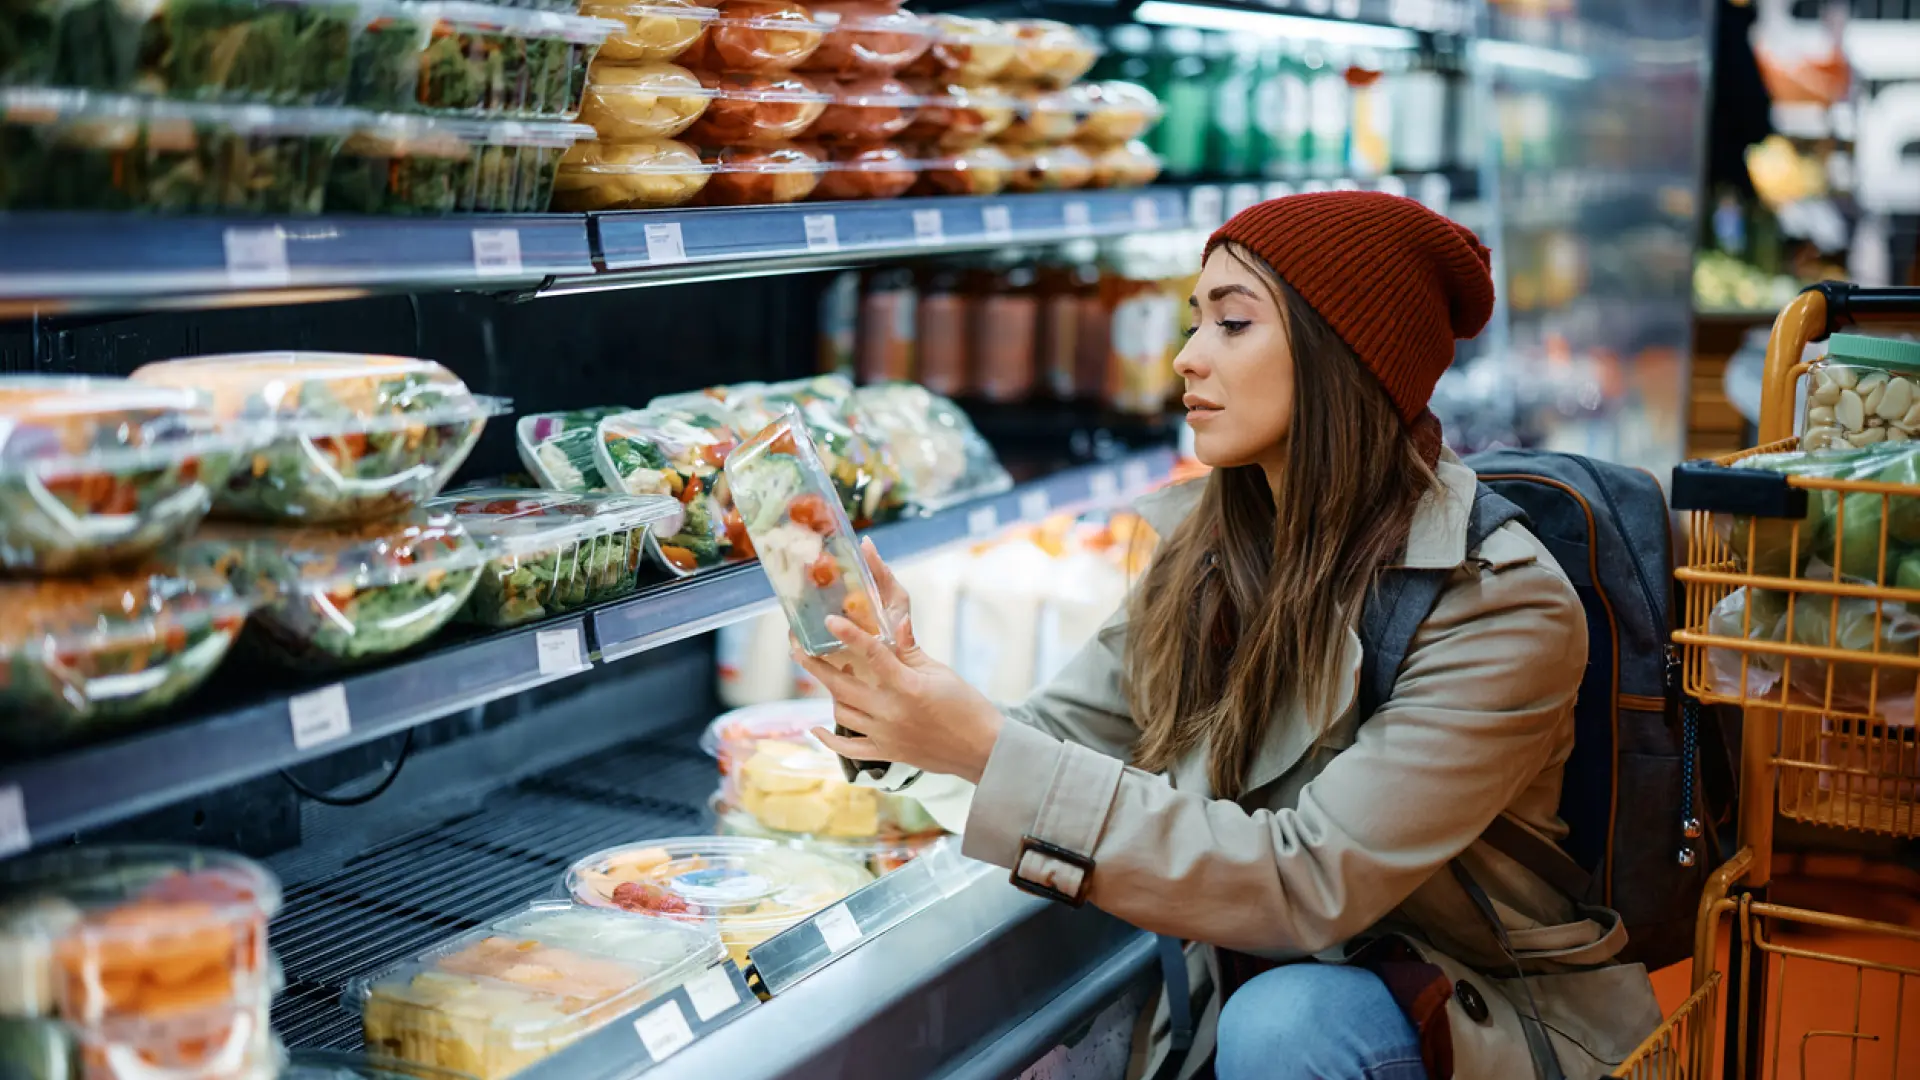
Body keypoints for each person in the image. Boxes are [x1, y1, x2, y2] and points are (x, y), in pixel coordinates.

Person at [794, 193, 1662, 1080]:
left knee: (1293, 1024)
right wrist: (893, 696)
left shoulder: (1498, 603)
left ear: (1344, 356)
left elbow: (1307, 881)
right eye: (1193, 321)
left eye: (1233, 323)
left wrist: (981, 749)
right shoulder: (1215, 553)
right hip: (1248, 978)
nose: (1185, 357)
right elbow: (1056, 741)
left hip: (1478, 1017)